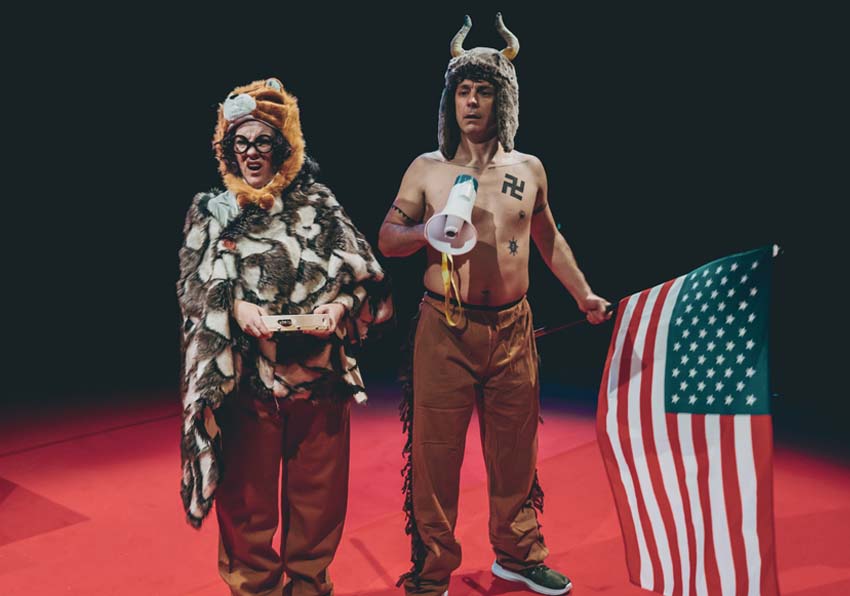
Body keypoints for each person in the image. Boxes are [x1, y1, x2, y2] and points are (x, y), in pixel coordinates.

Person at [378, 15, 610, 596]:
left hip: (513, 330)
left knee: (515, 452)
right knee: (435, 456)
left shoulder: (528, 169)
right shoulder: (427, 170)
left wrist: (583, 294)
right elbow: (386, 238)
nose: (472, 102)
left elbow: (549, 239)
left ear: (503, 100)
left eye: (484, 91)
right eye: (463, 90)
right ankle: (432, 571)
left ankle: (518, 555)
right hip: (445, 327)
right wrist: (427, 231)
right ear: (449, 101)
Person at [177, 77, 392, 595]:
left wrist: (339, 308)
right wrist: (236, 305)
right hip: (249, 384)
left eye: (263, 141)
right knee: (246, 507)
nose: (252, 153)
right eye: (241, 143)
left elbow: (371, 286)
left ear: (284, 146)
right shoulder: (212, 211)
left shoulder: (319, 207)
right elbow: (192, 292)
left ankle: (310, 586)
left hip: (318, 382)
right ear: (227, 149)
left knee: (318, 504)